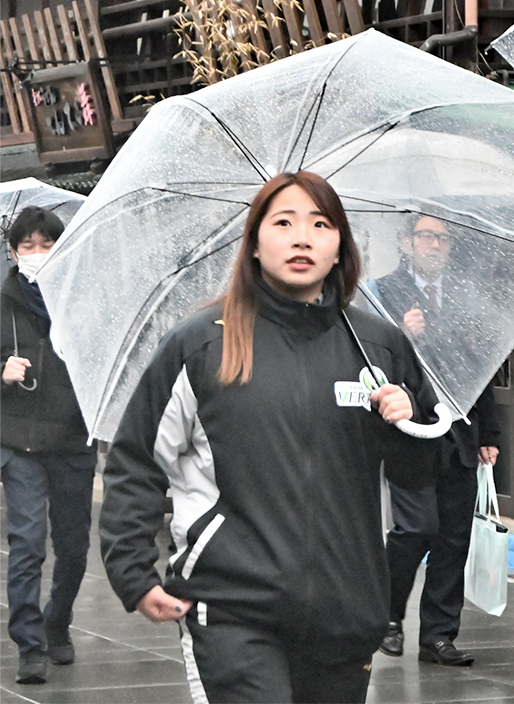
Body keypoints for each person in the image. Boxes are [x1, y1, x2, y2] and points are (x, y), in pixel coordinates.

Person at [99, 171, 440, 704]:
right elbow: (138, 460)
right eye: (283, 222)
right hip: (232, 608)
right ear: (255, 243)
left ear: (340, 249)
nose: (302, 237)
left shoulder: (379, 348)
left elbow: (420, 478)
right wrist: (132, 571)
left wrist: (407, 422)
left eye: (320, 224)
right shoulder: (201, 344)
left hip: (345, 610)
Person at [369, 214, 500, 667]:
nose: (435, 245)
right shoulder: (382, 294)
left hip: (460, 431)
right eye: (426, 236)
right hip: (409, 434)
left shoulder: (466, 297)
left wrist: (490, 432)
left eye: (443, 238)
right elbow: (369, 363)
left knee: (453, 539)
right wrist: (402, 337)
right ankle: (387, 615)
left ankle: (439, 636)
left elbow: (484, 368)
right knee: (416, 529)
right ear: (406, 242)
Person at [2, 206, 94, 686]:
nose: (37, 254)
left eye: (47, 244)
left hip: (73, 438)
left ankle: (57, 620)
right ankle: (29, 643)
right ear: (14, 251)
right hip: (18, 441)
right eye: (27, 246)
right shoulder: (2, 299)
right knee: (27, 543)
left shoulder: (83, 298)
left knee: (75, 547)